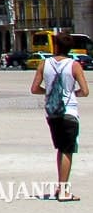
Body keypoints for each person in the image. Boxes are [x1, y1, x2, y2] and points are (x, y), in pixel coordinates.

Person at [31, 32, 89, 202]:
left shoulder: (44, 63)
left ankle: (60, 186)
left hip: (52, 112)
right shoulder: (74, 65)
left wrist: (48, 92)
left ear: (55, 46)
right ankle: (64, 191)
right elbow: (85, 91)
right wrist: (72, 93)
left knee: (61, 149)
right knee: (68, 150)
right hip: (68, 112)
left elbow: (34, 88)